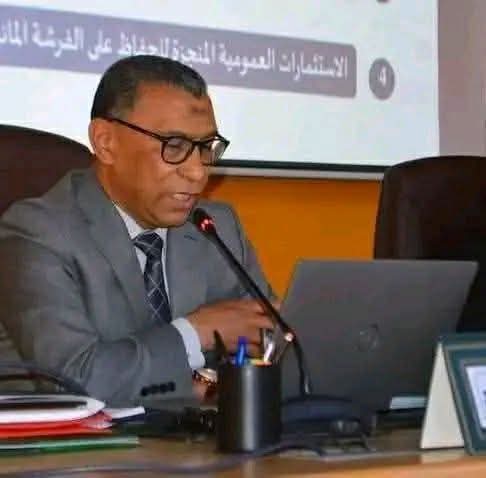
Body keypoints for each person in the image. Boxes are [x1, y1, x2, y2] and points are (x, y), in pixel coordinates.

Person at [0, 56, 274, 406]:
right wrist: (196, 334)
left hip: (195, 438)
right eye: (174, 146)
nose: (197, 172)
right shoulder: (37, 233)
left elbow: (270, 347)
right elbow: (75, 381)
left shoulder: (215, 228)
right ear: (106, 142)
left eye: (206, 148)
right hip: (74, 441)